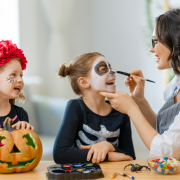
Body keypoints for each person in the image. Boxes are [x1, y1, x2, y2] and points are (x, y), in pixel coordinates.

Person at [99, 9, 180, 157]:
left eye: (155, 42)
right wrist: (139, 101)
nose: (151, 49)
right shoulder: (175, 84)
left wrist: (131, 109)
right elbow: (168, 135)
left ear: (175, 41)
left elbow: (165, 151)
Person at [53, 52, 135, 164]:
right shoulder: (75, 107)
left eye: (110, 68)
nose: (112, 72)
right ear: (84, 82)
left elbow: (130, 157)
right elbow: (60, 153)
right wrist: (108, 155)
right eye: (103, 69)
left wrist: (109, 146)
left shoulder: (121, 110)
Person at [0, 40, 34, 132]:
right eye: (13, 74)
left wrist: (24, 131)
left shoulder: (21, 114)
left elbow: (26, 146)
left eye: (21, 75)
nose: (20, 80)